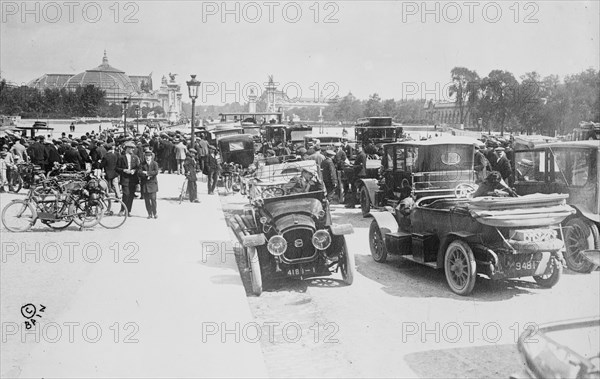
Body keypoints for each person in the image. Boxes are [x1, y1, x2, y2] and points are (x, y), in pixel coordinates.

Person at [116, 141, 140, 214]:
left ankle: (128, 211)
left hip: (133, 179)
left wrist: (134, 170)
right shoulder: (121, 157)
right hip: (125, 178)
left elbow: (138, 168)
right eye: (131, 148)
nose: (133, 150)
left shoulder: (135, 157)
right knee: (126, 194)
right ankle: (122, 209)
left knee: (131, 195)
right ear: (127, 148)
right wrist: (123, 170)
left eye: (133, 148)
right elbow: (116, 168)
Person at [138, 150, 159, 219]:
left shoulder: (154, 163)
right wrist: (146, 175)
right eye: (146, 156)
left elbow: (156, 172)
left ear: (151, 157)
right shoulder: (142, 164)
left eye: (149, 156)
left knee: (153, 199)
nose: (147, 157)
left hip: (152, 183)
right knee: (147, 200)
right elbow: (139, 172)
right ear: (144, 157)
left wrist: (147, 173)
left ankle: (155, 213)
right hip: (145, 184)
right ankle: (149, 213)